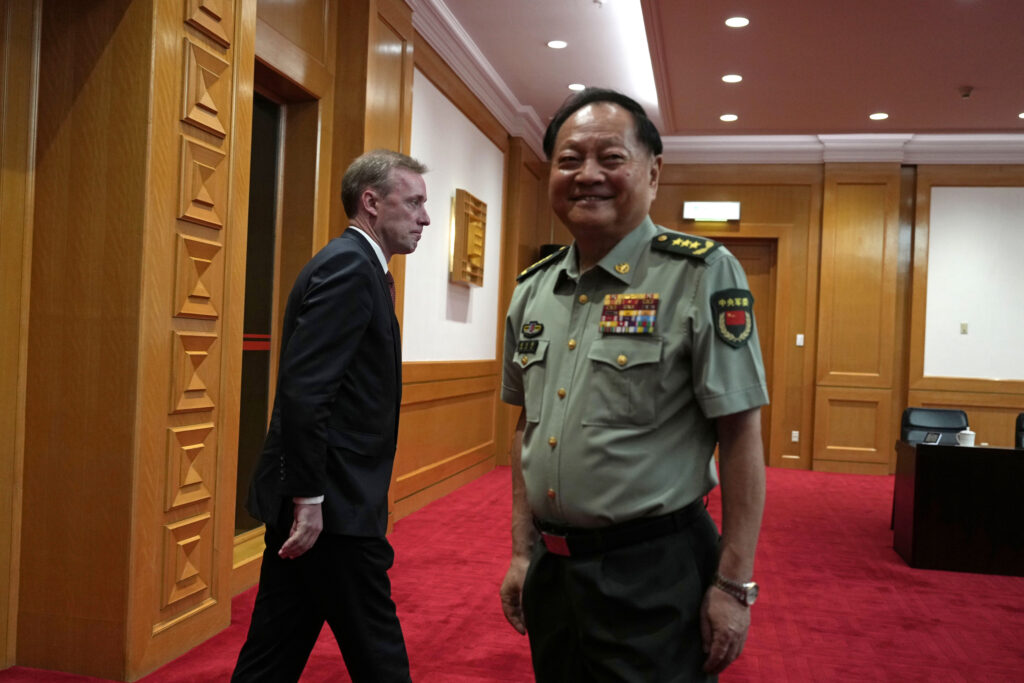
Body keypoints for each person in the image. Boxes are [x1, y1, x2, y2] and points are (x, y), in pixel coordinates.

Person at [498, 88, 768, 682]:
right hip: (554, 571)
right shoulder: (533, 289)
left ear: (653, 170)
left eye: (610, 158)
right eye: (569, 160)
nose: (587, 174)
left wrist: (733, 583)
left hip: (654, 572)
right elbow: (528, 431)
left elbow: (741, 433)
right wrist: (522, 552)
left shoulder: (699, 273)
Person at [232, 149, 430, 682]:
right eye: (413, 203)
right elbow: (305, 392)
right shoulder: (349, 267)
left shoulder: (363, 267)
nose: (425, 218)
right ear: (371, 202)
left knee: (273, 651)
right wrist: (310, 499)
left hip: (325, 503)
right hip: (333, 509)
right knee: (380, 656)